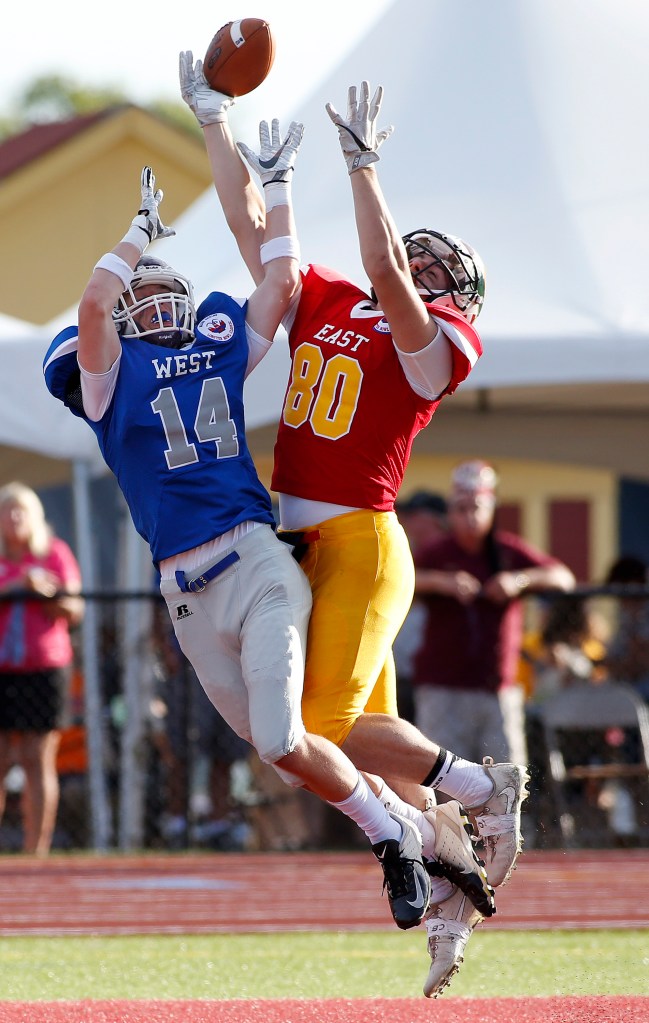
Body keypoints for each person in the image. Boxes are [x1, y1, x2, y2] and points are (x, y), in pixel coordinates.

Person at [40, 125, 491, 934]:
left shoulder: (242, 342)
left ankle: (469, 798)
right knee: (290, 758)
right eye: (144, 296)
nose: (161, 301)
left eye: (167, 289)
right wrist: (211, 134)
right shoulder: (110, 379)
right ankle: (427, 839)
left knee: (310, 730)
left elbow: (293, 274)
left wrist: (287, 183)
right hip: (203, 578)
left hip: (277, 550)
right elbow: (116, 300)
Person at [178, 63, 518, 996]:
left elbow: (388, 274)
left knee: (312, 729)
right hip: (303, 548)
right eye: (424, 259)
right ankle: (451, 892)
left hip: (361, 544)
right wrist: (214, 123)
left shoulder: (443, 341)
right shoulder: (332, 298)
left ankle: (483, 786)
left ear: (458, 298)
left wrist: (362, 167)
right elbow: (254, 233)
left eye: (442, 272)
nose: (425, 269)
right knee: (355, 753)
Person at [412, 460, 577, 769]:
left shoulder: (506, 550)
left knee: (505, 778)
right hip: (443, 688)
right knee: (443, 777)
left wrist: (518, 581)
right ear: (450, 512)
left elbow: (563, 577)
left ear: (491, 509)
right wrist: (443, 583)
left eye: (476, 507)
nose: (469, 517)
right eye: (461, 508)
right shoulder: (437, 552)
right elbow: (401, 578)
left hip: (497, 688)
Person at [0, 482, 84, 855]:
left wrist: (44, 591)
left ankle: (36, 850)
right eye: (8, 510)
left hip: (43, 668)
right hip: (3, 668)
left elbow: (75, 610)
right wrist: (17, 585)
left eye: (21, 510)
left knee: (37, 758)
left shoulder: (54, 553)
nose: (14, 517)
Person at [394, 492, 448, 722]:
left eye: (413, 515)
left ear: (434, 519)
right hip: (404, 674)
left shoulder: (452, 553)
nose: (405, 521)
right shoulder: (406, 551)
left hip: (440, 678)